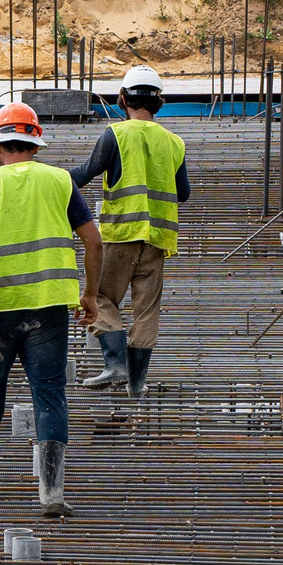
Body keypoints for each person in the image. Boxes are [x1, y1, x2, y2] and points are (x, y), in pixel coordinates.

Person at [0, 100, 102, 516]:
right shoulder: (60, 181)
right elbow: (94, 242)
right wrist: (90, 295)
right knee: (50, 392)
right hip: (49, 309)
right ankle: (51, 494)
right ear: (36, 145)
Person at [72, 62, 190, 396]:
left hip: (122, 235)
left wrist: (49, 182)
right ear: (158, 102)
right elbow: (183, 193)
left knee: (100, 297)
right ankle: (137, 382)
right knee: (146, 310)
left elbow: (84, 174)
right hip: (158, 241)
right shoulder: (174, 143)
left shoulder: (117, 135)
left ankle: (115, 365)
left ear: (123, 98)